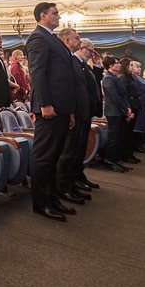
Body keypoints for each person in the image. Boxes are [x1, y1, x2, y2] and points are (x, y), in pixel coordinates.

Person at [26, 2, 78, 222]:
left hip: (61, 107)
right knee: (44, 156)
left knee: (54, 155)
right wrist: (45, 104)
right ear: (43, 15)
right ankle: (41, 203)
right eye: (55, 13)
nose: (59, 16)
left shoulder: (52, 37)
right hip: (50, 107)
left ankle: (53, 198)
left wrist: (70, 110)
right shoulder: (38, 37)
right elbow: (38, 73)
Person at [55, 27, 90, 204]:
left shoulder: (73, 60)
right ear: (67, 41)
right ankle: (63, 187)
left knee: (74, 151)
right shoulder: (65, 59)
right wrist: (70, 112)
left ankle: (70, 183)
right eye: (76, 38)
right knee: (67, 153)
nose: (80, 41)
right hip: (70, 112)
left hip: (77, 111)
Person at [101, 55, 133, 173]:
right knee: (113, 138)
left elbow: (122, 95)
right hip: (113, 112)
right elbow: (114, 97)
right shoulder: (108, 78)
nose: (120, 64)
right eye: (117, 62)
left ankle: (116, 160)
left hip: (118, 111)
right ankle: (110, 161)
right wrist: (125, 109)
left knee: (118, 137)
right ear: (111, 65)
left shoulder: (114, 77)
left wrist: (127, 109)